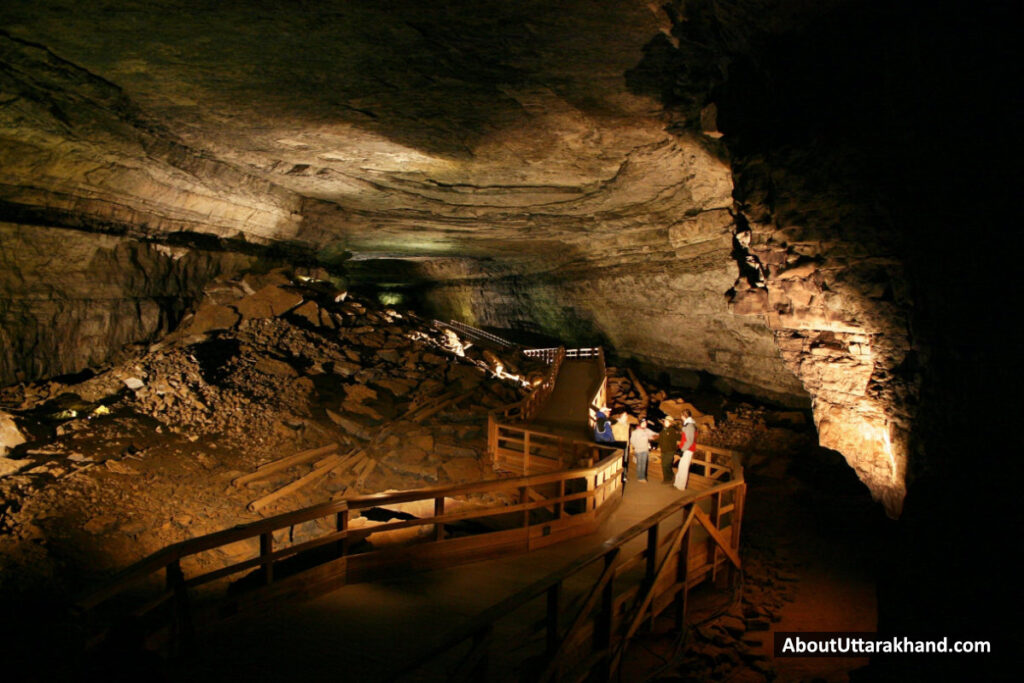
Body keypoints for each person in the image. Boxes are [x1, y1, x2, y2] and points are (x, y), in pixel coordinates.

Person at [674, 410, 697, 491]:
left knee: (684, 467)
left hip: (687, 450)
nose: (680, 417)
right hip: (685, 449)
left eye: (681, 415)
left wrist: (681, 449)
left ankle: (681, 486)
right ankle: (677, 483)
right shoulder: (688, 425)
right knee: (681, 466)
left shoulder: (690, 426)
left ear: (684, 416)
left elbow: (689, 441)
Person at [629, 418, 657, 482]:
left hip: (645, 450)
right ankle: (640, 477)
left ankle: (643, 477)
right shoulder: (635, 432)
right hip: (638, 450)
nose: (644, 424)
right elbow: (632, 441)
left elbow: (654, 434)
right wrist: (637, 446)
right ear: (640, 423)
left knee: (644, 464)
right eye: (643, 423)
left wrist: (653, 437)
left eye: (645, 423)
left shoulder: (647, 430)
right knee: (639, 464)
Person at [658, 416, 681, 485]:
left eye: (667, 421)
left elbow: (679, 438)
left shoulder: (673, 430)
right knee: (664, 465)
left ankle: (668, 478)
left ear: (670, 423)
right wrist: (659, 446)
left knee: (666, 464)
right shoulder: (663, 430)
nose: (665, 422)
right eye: (665, 421)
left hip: (670, 451)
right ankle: (668, 477)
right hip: (663, 450)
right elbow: (660, 439)